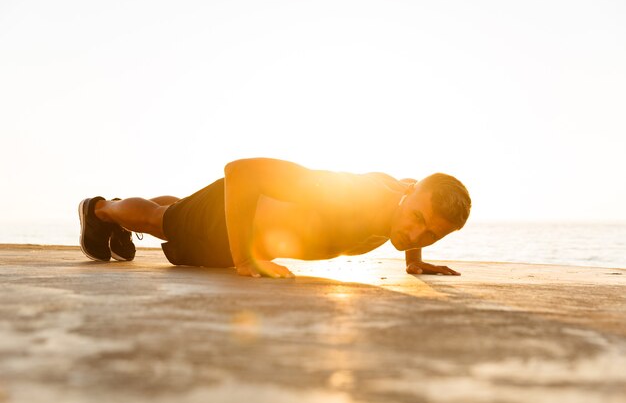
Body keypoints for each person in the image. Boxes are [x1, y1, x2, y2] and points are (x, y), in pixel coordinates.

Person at [78, 158, 471, 278]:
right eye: (418, 217)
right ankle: (100, 210)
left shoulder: (406, 196)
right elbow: (242, 172)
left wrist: (415, 261)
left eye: (432, 234)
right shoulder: (355, 198)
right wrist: (246, 259)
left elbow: (420, 214)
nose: (416, 232)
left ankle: (118, 217)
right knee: (160, 219)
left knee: (179, 209)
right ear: (410, 194)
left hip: (246, 223)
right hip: (232, 224)